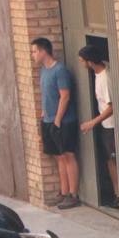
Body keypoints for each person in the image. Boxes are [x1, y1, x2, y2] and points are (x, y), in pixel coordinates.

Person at [30, 37, 80, 210]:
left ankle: (73, 194)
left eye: (35, 51)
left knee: (68, 155)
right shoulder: (44, 71)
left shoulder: (60, 70)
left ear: (44, 51)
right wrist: (44, 117)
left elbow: (64, 95)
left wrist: (57, 119)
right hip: (48, 119)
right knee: (58, 156)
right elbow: (46, 96)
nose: (33, 55)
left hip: (63, 121)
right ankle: (63, 191)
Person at [77, 45, 119, 210]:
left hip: (111, 126)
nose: (82, 65)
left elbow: (111, 107)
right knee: (110, 161)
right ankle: (116, 194)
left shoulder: (105, 78)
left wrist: (92, 122)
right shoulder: (100, 72)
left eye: (83, 61)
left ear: (90, 62)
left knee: (114, 161)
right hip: (105, 125)